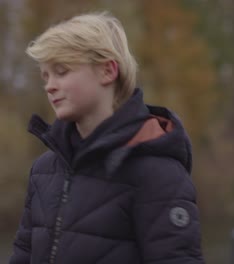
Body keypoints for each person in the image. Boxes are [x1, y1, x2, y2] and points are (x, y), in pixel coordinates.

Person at [9, 11, 204, 264]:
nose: (50, 85)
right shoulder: (43, 170)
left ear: (107, 71)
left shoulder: (159, 173)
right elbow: (23, 255)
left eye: (62, 71)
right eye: (45, 76)